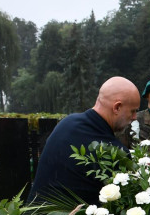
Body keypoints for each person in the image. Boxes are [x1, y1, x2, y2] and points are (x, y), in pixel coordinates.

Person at [30, 76, 139, 204]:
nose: (134, 117)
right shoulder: (115, 152)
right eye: (133, 111)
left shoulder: (67, 123)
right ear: (117, 107)